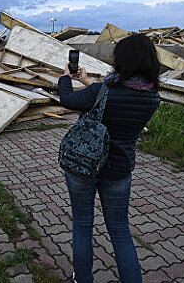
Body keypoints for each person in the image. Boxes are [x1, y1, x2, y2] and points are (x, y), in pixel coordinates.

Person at [58, 33, 161, 283]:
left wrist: (64, 78)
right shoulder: (152, 96)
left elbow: (68, 100)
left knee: (82, 226)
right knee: (120, 231)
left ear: (122, 61)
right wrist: (87, 81)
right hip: (119, 169)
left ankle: (82, 278)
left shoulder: (102, 90)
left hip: (84, 165)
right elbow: (114, 100)